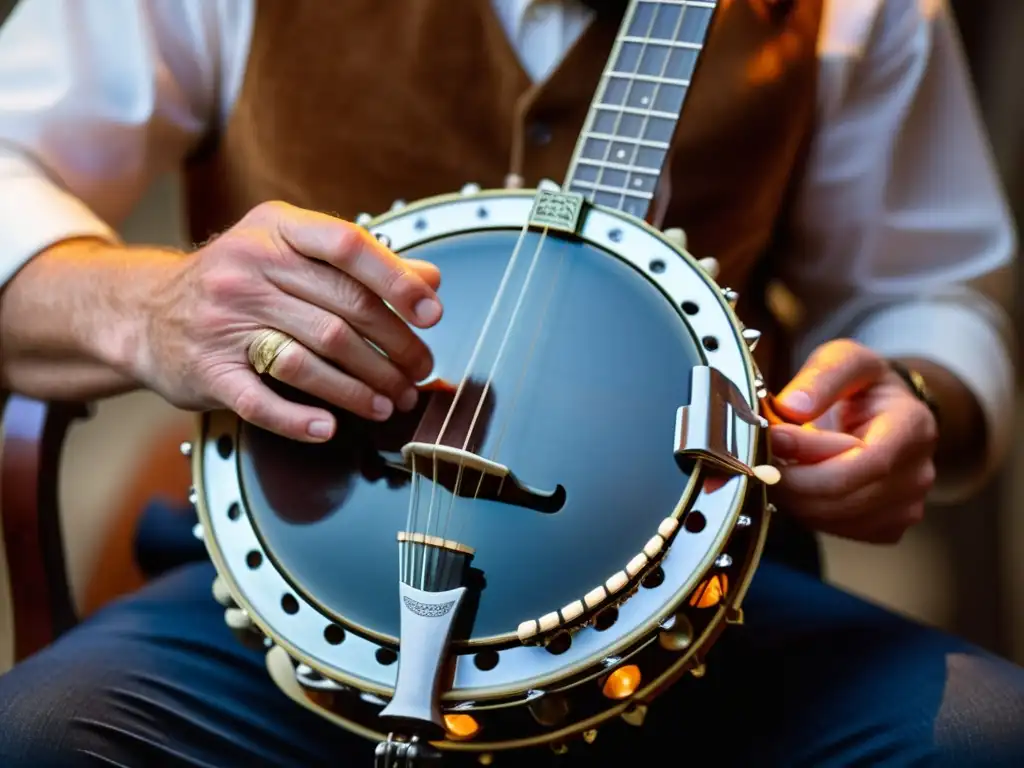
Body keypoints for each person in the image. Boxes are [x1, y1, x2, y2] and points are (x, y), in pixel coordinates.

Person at [0, 0, 1021, 765]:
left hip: (692, 612)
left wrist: (916, 395)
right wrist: (148, 305)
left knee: (984, 739)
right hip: (290, 602)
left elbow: (926, 292)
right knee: (41, 738)